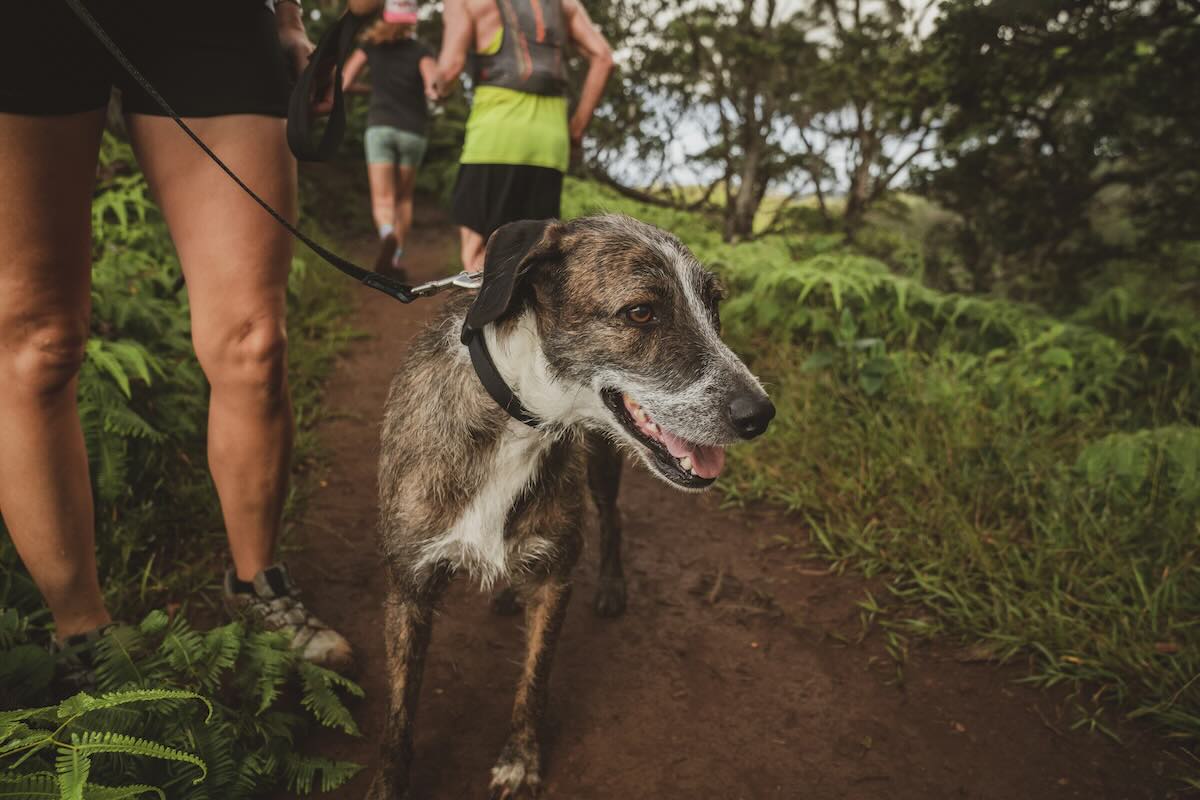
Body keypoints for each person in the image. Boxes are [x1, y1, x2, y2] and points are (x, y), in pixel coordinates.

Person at [0, 0, 381, 676]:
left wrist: (289, 20)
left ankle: (256, 584)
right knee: (38, 344)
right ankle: (84, 637)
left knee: (253, 342)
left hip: (210, 17)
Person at [433, 0, 613, 272]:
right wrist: (576, 130)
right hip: (550, 143)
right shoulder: (565, 4)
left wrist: (439, 90)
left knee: (480, 253)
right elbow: (604, 57)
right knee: (532, 254)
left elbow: (449, 68)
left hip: (495, 138)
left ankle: (487, 312)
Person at [341, 0, 437, 278]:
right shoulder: (422, 50)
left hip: (380, 127)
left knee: (383, 199)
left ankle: (386, 235)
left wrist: (371, 90)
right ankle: (394, 258)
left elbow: (344, 83)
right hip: (412, 130)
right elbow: (433, 84)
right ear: (411, 20)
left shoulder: (370, 46)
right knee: (403, 198)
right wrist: (433, 91)